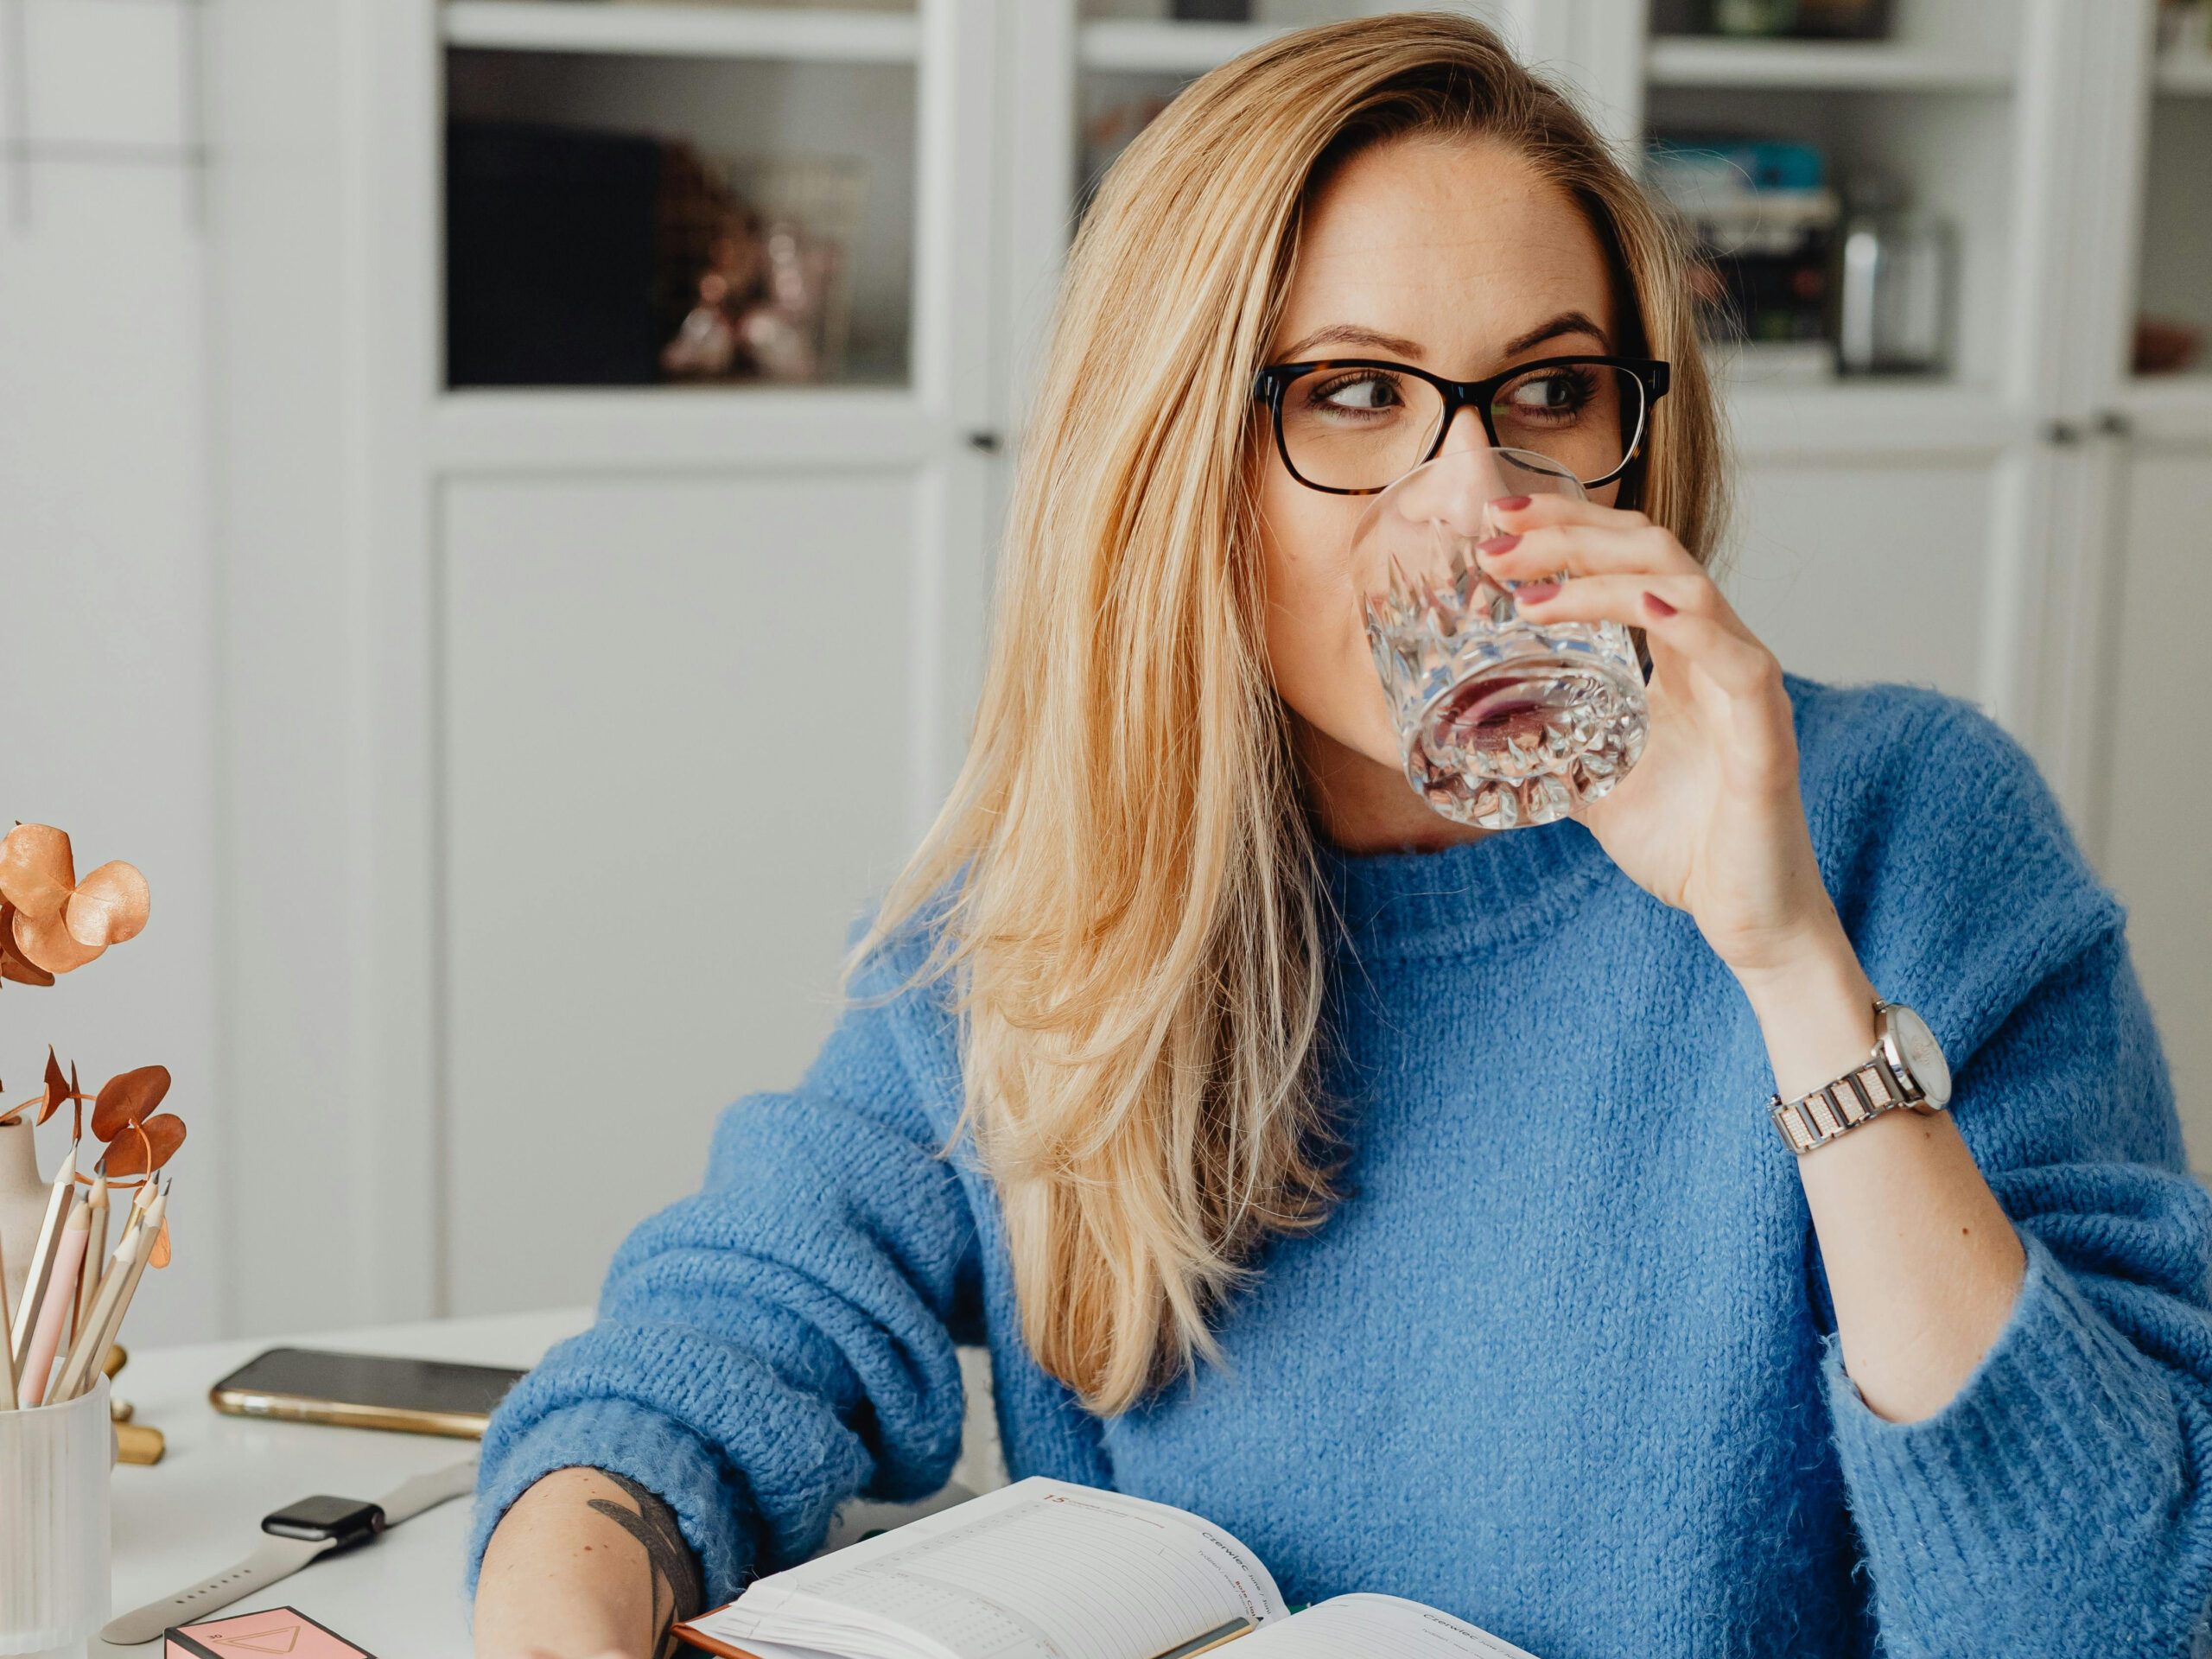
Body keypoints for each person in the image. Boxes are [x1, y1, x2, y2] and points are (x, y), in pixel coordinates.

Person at [469, 16, 2212, 1659]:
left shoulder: (1902, 827)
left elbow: (2113, 1609)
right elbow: (691, 1368)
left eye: (1543, 395)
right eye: (1354, 395)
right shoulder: (1053, 910)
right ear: (1172, 467)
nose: (1473, 503)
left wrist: (1787, 965)